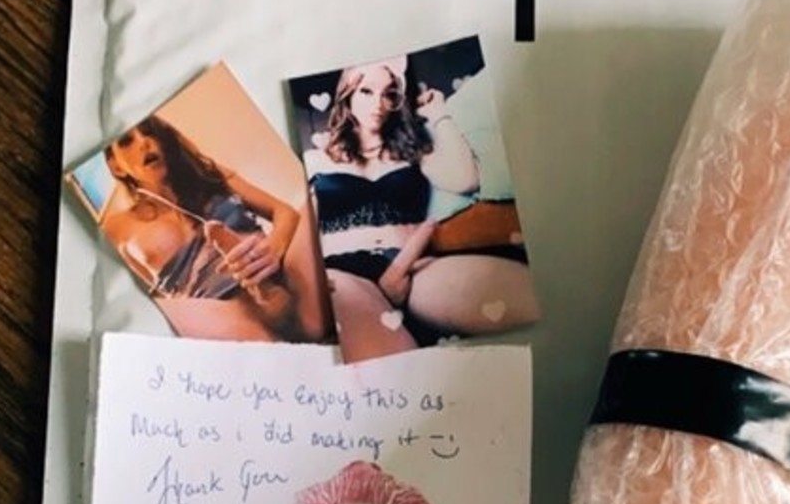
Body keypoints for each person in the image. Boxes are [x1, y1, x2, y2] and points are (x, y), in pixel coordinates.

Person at [305, 59, 538, 359]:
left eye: (389, 94)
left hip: (414, 267)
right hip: (344, 272)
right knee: (392, 361)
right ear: (347, 96)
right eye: (366, 91)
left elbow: (465, 179)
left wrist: (438, 112)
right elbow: (304, 240)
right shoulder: (315, 161)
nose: (378, 103)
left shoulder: (411, 148)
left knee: (526, 297)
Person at [103, 115, 318, 341]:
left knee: (316, 197)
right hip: (222, 314)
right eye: (126, 141)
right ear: (116, 166)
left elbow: (284, 212)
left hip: (277, 273)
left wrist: (273, 248)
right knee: (154, 309)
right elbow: (154, 297)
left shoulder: (207, 174)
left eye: (150, 132)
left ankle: (265, 287)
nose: (144, 142)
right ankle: (259, 297)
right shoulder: (117, 229)